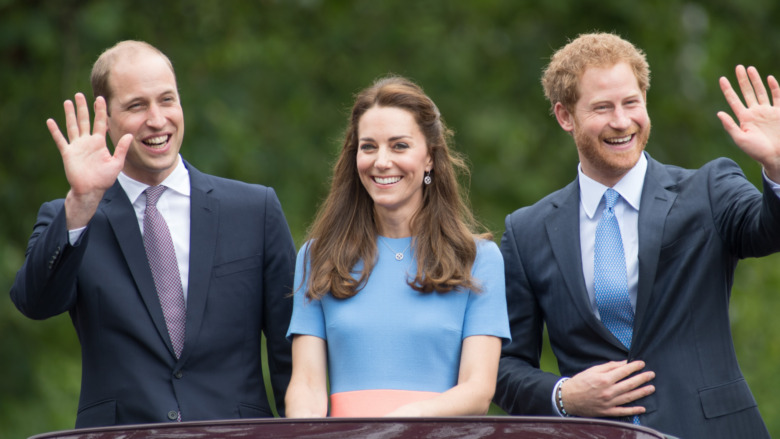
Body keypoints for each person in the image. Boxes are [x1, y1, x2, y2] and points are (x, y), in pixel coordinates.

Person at [493, 32, 780, 438]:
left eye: (631, 102)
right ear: (564, 116)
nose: (622, 121)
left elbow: (768, 231)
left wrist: (778, 169)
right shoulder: (526, 231)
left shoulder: (710, 188)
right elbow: (504, 366)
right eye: (602, 107)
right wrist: (564, 395)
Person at [10, 41, 296, 428]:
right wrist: (82, 201)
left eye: (167, 100)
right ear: (105, 118)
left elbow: (290, 357)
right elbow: (34, 302)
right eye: (136, 106)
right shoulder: (72, 215)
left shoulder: (255, 211)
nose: (157, 119)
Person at [284, 75, 510, 418]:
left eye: (399, 146)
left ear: (430, 158)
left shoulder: (478, 260)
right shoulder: (318, 257)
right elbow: (307, 385)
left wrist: (399, 425)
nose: (381, 161)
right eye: (369, 146)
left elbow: (478, 390)